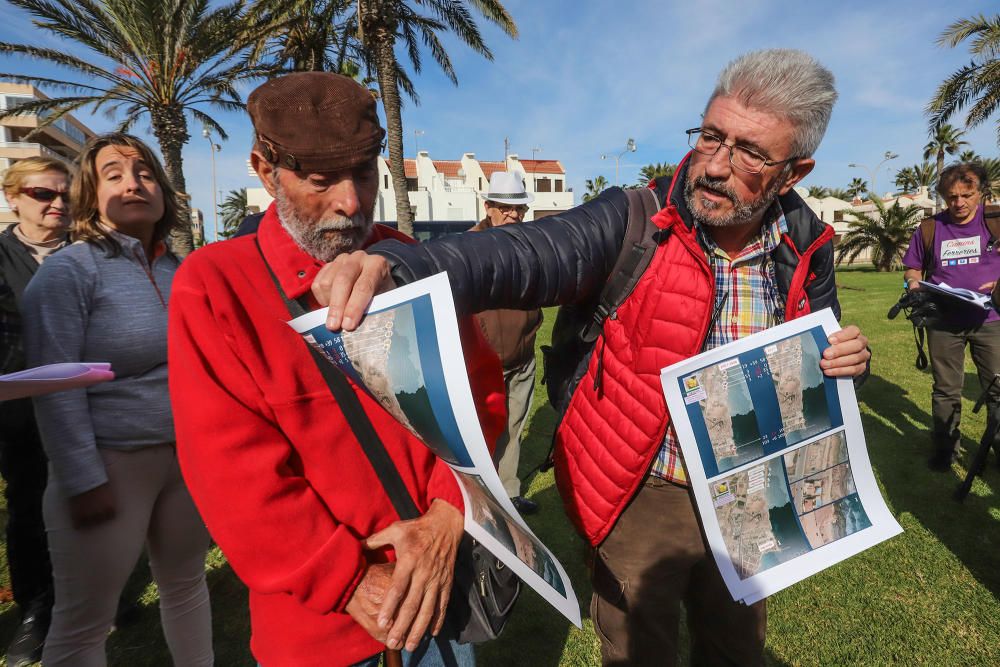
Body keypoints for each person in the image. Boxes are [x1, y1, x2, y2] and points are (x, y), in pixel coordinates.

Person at [312, 49, 872, 665]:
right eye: (713, 136)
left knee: (735, 649)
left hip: (751, 494)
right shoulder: (636, 218)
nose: (714, 165)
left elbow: (821, 354)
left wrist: (848, 364)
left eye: (749, 153)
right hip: (643, 489)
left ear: (793, 172)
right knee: (640, 651)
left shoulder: (806, 244)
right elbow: (524, 253)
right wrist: (400, 267)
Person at [167, 72, 506, 666]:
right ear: (264, 169)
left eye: (365, 173)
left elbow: (477, 391)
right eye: (321, 180)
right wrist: (348, 582)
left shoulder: (406, 255)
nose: (351, 201)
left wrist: (448, 514)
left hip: (440, 586)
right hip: (323, 629)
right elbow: (233, 477)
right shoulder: (215, 286)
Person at [21, 134, 213, 667]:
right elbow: (55, 384)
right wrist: (83, 480)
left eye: (145, 172)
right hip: (109, 465)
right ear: (90, 195)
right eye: (113, 174)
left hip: (185, 462)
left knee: (186, 584)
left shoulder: (182, 271)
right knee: (83, 623)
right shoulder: (68, 272)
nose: (133, 182)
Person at [0, 156, 71, 666]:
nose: (57, 204)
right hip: (19, 411)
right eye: (43, 194)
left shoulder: (90, 253)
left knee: (88, 501)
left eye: (65, 194)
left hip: (90, 404)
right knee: (29, 506)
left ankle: (89, 594)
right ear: (13, 198)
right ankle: (36, 609)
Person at [902, 162, 1000, 471]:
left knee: (998, 388)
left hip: (991, 320)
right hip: (944, 322)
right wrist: (914, 284)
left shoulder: (996, 220)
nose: (958, 203)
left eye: (966, 195)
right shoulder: (930, 228)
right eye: (951, 197)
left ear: (981, 192)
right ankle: (946, 450)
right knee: (945, 389)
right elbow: (912, 267)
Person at [470, 172, 543, 515]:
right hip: (483, 361)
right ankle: (481, 499)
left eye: (519, 208)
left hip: (523, 356)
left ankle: (509, 493)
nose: (513, 214)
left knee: (514, 427)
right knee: (483, 431)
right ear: (488, 207)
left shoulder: (533, 245)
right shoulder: (467, 247)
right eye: (505, 207)